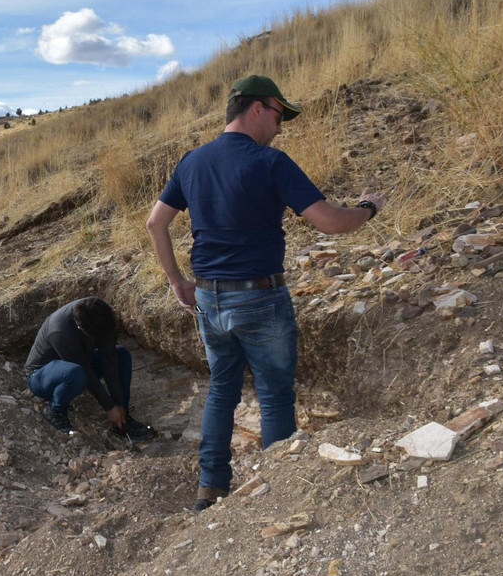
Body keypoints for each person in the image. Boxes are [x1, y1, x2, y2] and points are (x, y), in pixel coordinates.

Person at [146, 75, 387, 511]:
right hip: (260, 298)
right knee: (274, 394)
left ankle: (211, 487)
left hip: (209, 299)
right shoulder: (269, 161)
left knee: (222, 389)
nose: (280, 127)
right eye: (278, 116)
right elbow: (330, 221)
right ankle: (278, 493)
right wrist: (369, 209)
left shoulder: (192, 162)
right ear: (256, 108)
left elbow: (155, 223)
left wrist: (176, 281)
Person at [25, 297, 156, 441]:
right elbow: (85, 369)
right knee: (77, 373)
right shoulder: (60, 330)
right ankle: (54, 411)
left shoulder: (102, 314)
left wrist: (118, 404)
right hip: (41, 376)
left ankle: (122, 421)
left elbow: (109, 357)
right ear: (79, 327)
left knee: (121, 355)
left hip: (77, 367)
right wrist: (109, 407)